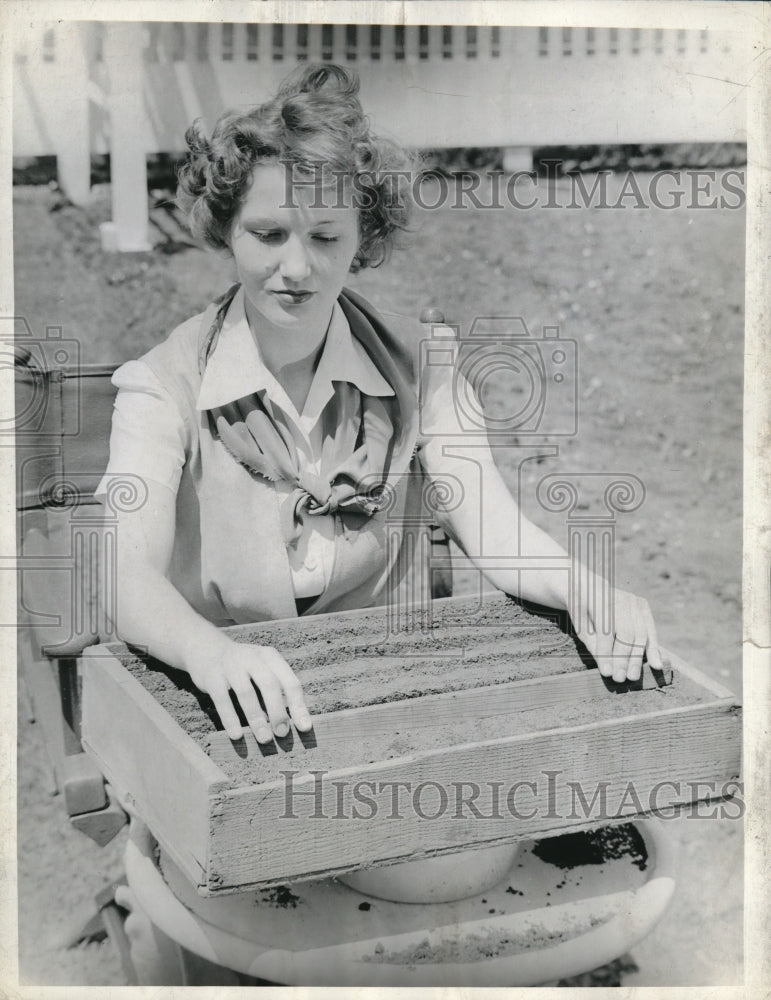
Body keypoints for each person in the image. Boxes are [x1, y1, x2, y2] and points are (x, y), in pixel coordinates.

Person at [98, 63, 664, 982]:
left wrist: (586, 585)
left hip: (384, 717)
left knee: (464, 905)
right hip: (237, 717)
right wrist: (210, 652)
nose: (296, 265)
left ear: (363, 236)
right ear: (225, 230)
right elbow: (117, 572)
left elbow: (493, 521)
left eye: (325, 235)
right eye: (267, 233)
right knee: (235, 933)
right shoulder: (162, 385)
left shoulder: (420, 364)